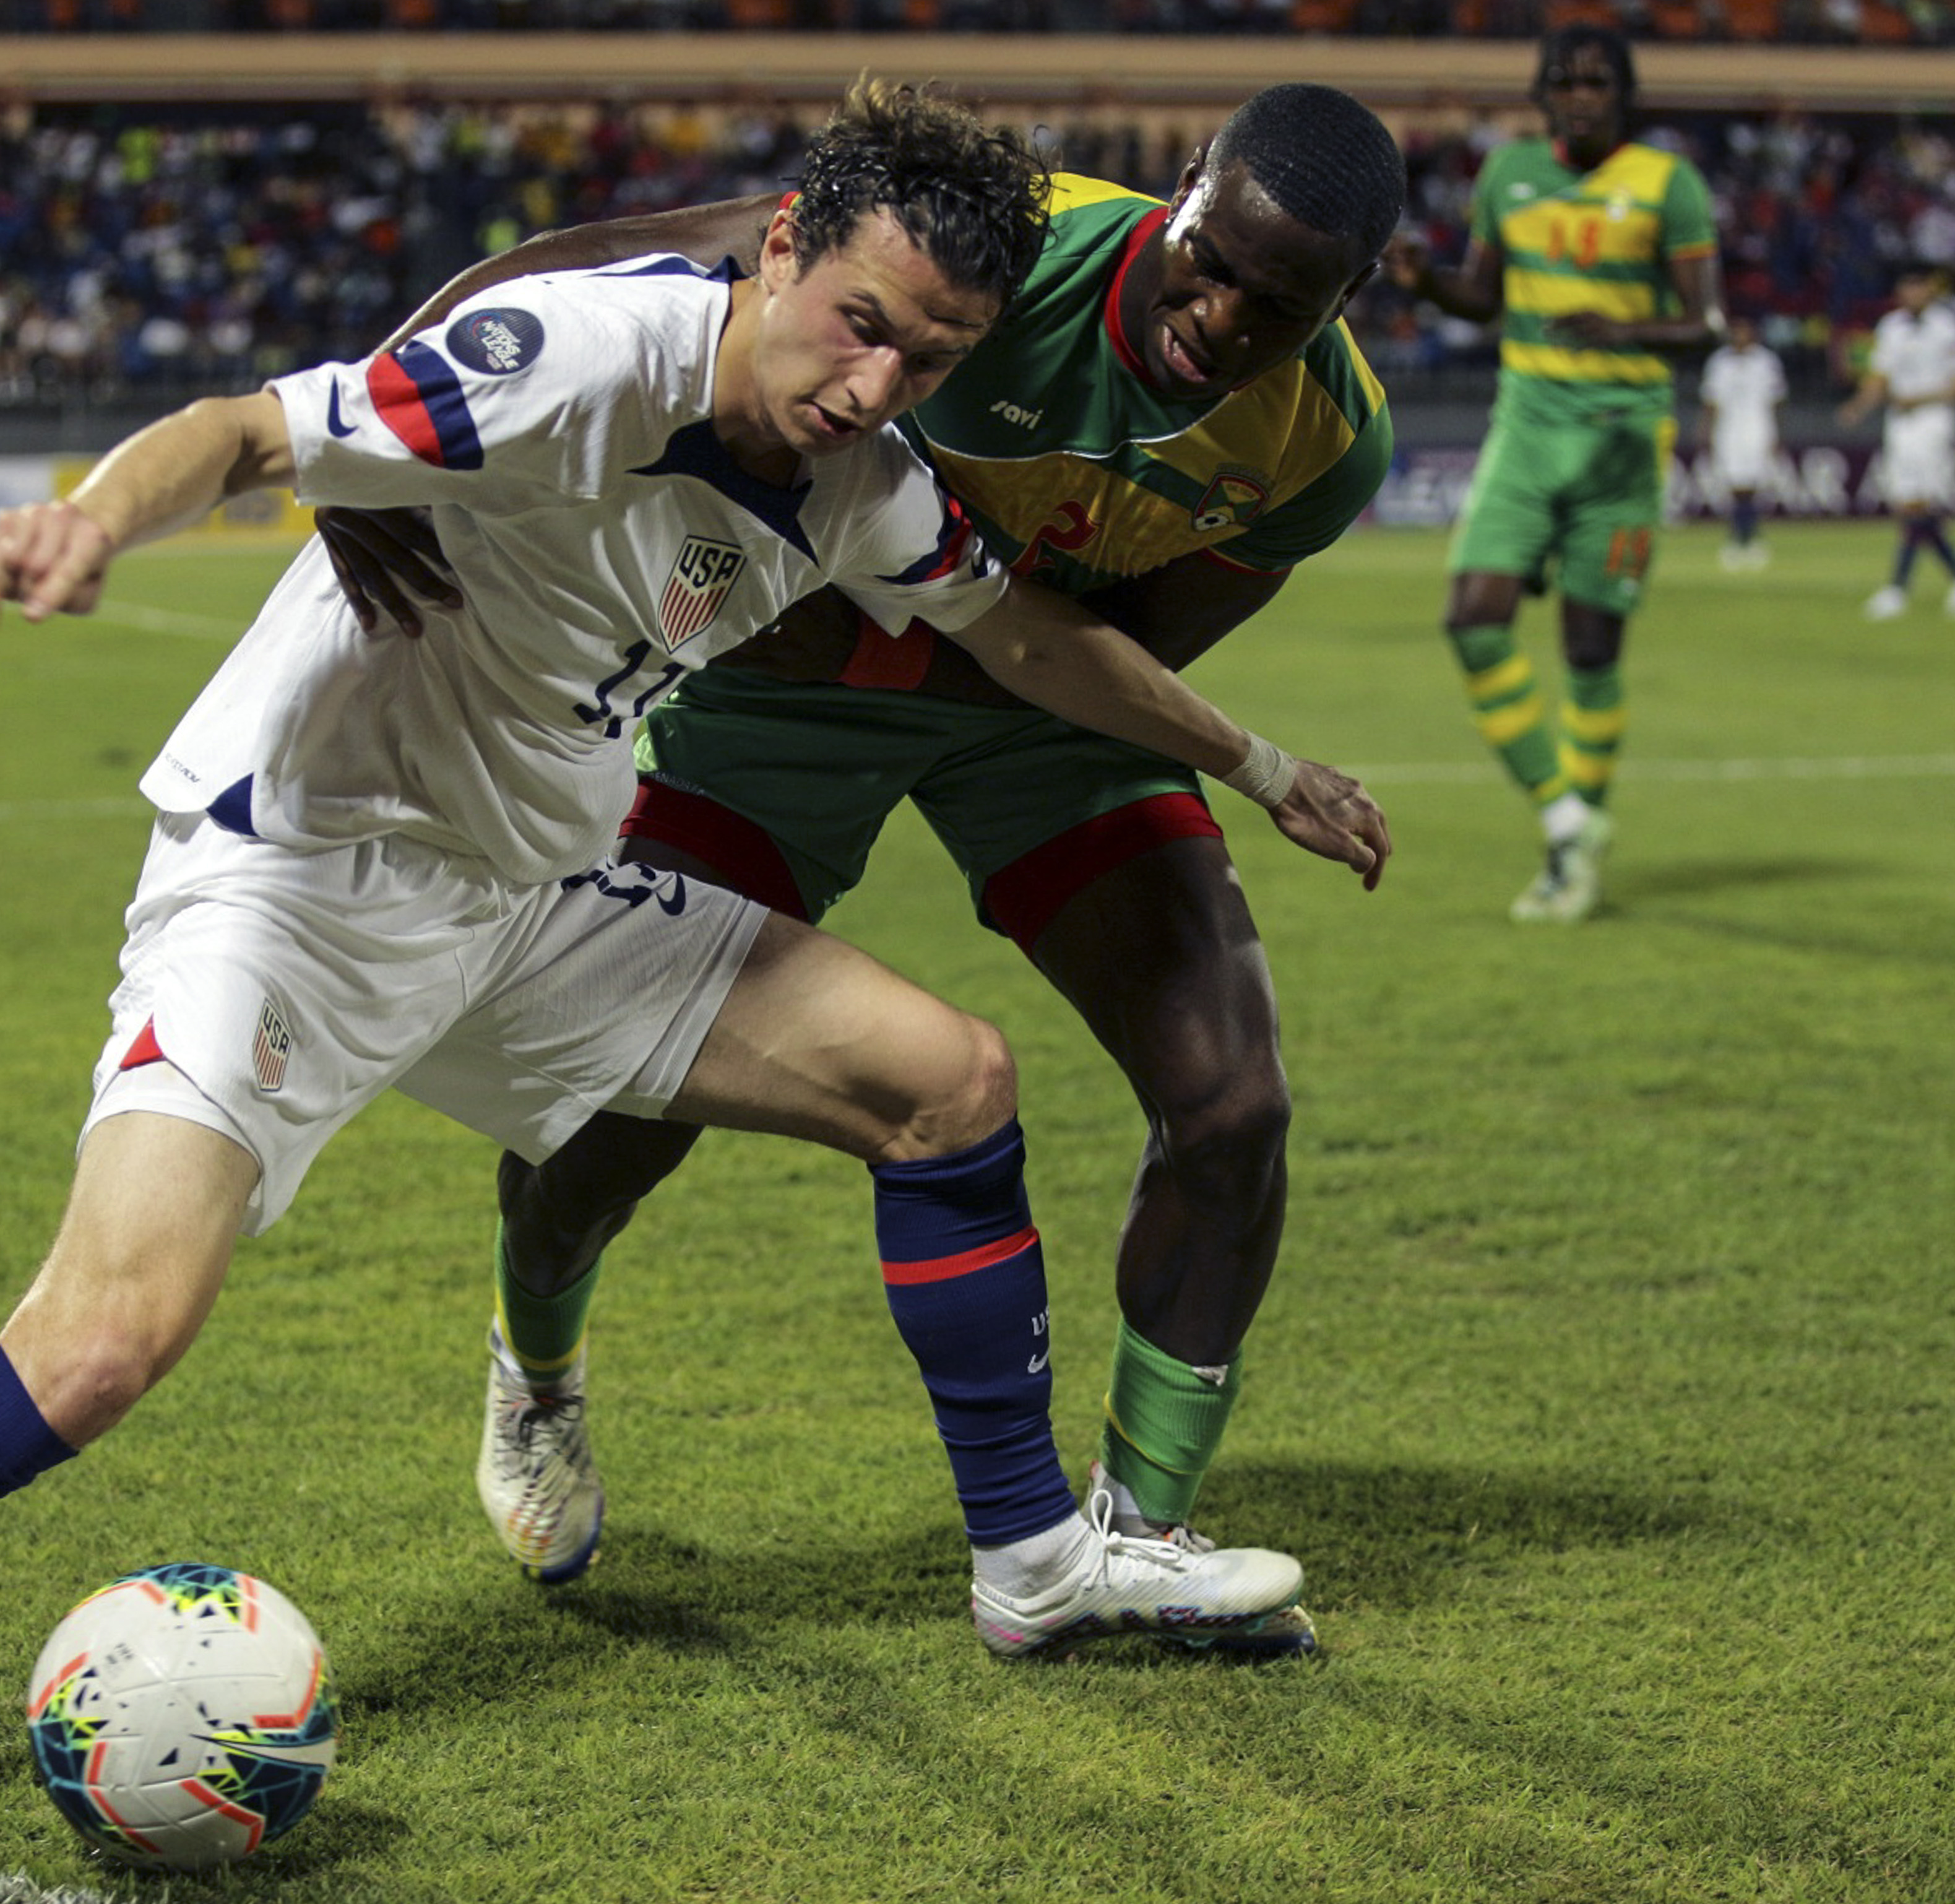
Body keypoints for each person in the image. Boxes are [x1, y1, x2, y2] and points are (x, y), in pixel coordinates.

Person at [0, 84, 1390, 1864]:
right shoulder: (578, 359)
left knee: (947, 1082)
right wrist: (91, 517)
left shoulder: (859, 485)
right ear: (778, 250)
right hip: (298, 893)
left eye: (925, 358)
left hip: (531, 901)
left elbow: (1044, 645)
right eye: (855, 330)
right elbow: (243, 431)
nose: (872, 388)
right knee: (101, 1343)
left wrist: (1262, 770)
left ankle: (1033, 1568)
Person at [328, 82, 1404, 1658]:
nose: (1218, 314)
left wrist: (1217, 750)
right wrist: (377, 419)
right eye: (1208, 261)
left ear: (1340, 308)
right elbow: (579, 271)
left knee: (1231, 1100)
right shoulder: (1006, 247)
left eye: (1275, 305)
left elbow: (1138, 651)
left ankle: (1138, 1531)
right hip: (780, 693)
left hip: (1039, 704)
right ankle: (535, 1375)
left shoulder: (1325, 442)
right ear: (1180, 193)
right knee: (619, 1110)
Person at [1387, 24, 1724, 924]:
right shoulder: (1507, 175)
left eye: (1596, 82)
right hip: (1526, 429)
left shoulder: (1667, 186)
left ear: (1623, 95)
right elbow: (1485, 295)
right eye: (1564, 83)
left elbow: (1706, 325)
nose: (1579, 96)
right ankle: (1564, 810)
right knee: (1470, 619)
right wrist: (1425, 284)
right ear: (1540, 96)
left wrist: (1627, 332)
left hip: (1620, 441)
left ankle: (1571, 854)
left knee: (1588, 647)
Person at [1836, 264, 1955, 620]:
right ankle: (1909, 586)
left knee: (1918, 504)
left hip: (1934, 421)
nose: (1912, 295)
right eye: (1907, 288)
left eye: (1919, 288)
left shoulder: (1947, 327)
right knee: (1910, 506)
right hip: (1900, 425)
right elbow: (1879, 377)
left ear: (1930, 291)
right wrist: (1858, 407)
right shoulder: (1890, 328)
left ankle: (1897, 588)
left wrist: (1918, 399)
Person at [1699, 313, 1787, 573]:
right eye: (1735, 330)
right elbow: (1711, 402)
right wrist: (1705, 431)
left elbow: (1777, 401)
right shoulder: (1719, 363)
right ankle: (1740, 538)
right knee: (1734, 486)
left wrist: (1776, 435)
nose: (1739, 335)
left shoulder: (1766, 361)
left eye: (1743, 330)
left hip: (1757, 428)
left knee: (1753, 485)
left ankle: (1749, 538)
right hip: (1728, 430)